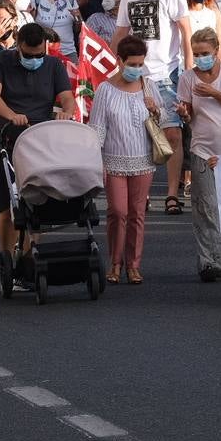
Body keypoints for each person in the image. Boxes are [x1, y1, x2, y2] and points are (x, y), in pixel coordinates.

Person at [0, 22, 76, 280]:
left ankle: (29, 255)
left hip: (39, 140)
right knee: (7, 204)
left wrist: (67, 111)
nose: (35, 59)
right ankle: (6, 257)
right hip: (6, 139)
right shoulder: (0, 62)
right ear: (18, 46)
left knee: (36, 199)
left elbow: (66, 95)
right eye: (29, 55)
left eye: (39, 55)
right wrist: (12, 116)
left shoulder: (54, 65)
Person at [111, 0, 192, 216]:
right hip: (137, 74)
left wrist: (189, 68)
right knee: (137, 137)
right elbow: (121, 32)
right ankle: (141, 193)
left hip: (167, 73)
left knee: (172, 134)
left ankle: (171, 193)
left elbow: (185, 30)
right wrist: (112, 65)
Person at [89, 36, 160, 285]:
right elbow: (97, 128)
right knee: (118, 212)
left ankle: (133, 265)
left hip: (143, 158)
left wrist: (155, 110)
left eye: (140, 64)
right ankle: (115, 262)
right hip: (113, 159)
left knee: (137, 213)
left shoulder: (150, 87)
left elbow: (160, 125)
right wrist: (95, 162)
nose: (137, 69)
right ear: (119, 61)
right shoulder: (105, 90)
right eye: (132, 63)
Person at [176, 27, 221, 282]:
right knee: (205, 207)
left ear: (216, 51)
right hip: (202, 148)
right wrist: (184, 113)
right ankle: (209, 260)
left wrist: (215, 92)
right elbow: (189, 113)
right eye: (197, 54)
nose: (201, 58)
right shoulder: (187, 78)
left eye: (205, 53)